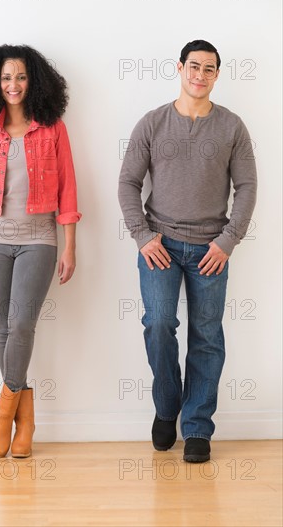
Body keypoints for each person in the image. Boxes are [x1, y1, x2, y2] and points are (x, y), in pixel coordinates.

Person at [118, 39, 257, 462]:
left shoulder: (232, 127)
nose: (199, 75)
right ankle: (167, 407)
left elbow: (247, 187)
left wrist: (228, 240)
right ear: (179, 68)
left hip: (210, 249)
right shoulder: (152, 123)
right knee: (158, 323)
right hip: (159, 243)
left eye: (209, 69)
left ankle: (197, 427)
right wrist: (143, 235)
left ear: (217, 75)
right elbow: (128, 183)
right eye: (193, 66)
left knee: (207, 337)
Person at [0, 44, 81, 459]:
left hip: (39, 240)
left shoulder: (52, 128)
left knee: (22, 325)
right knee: (2, 330)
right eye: (7, 77)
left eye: (22, 77)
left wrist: (69, 247)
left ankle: (4, 416)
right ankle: (25, 421)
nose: (14, 84)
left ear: (35, 82)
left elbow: (68, 190)